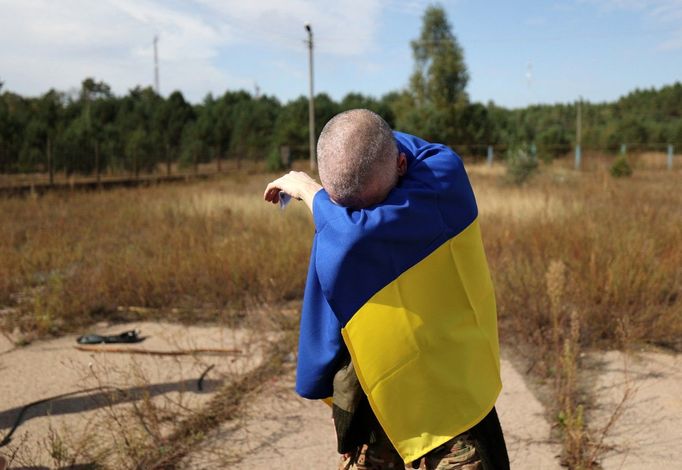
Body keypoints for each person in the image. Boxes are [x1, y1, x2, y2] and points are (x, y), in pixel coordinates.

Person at [264, 109, 509, 469]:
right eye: (345, 209)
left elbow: (350, 235)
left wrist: (308, 190)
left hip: (453, 418)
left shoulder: (443, 181)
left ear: (402, 164)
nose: (361, 216)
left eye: (367, 206)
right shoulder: (416, 176)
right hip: (382, 411)